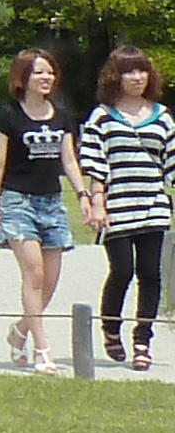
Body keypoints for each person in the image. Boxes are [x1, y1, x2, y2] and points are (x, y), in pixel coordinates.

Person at [0, 46, 94, 371]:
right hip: (17, 201)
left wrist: (83, 195)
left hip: (51, 203)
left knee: (50, 281)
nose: (46, 78)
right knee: (34, 273)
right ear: (23, 77)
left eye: (50, 72)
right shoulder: (8, 116)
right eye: (38, 72)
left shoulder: (61, 115)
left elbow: (69, 160)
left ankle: (20, 331)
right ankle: (42, 350)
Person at [80, 46, 175, 372]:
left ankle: (142, 341)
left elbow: (171, 164)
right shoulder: (102, 117)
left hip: (153, 206)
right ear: (115, 76)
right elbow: (95, 163)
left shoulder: (162, 116)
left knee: (151, 275)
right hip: (117, 208)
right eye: (129, 71)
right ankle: (110, 328)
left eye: (142, 70)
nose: (137, 77)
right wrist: (96, 202)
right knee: (121, 270)